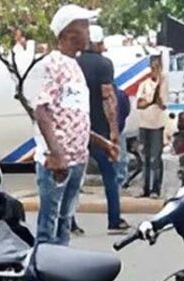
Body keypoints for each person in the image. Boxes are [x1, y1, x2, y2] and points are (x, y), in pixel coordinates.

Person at [33, 5, 117, 245]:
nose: (89, 31)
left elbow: (72, 117)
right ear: (69, 32)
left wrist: (102, 143)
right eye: (84, 25)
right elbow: (42, 111)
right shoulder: (53, 64)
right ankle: (43, 276)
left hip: (77, 158)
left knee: (64, 222)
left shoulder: (75, 66)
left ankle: (60, 274)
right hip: (58, 161)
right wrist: (57, 153)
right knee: (49, 227)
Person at [77, 24, 131, 234]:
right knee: (110, 175)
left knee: (74, 178)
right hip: (99, 129)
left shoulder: (74, 62)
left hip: (78, 127)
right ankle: (114, 219)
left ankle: (69, 221)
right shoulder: (104, 64)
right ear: (98, 43)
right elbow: (108, 97)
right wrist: (114, 130)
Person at [137, 55, 167, 198]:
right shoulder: (144, 84)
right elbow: (140, 104)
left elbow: (162, 104)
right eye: (152, 67)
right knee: (145, 158)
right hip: (144, 124)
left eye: (157, 68)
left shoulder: (164, 84)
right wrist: (151, 101)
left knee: (156, 158)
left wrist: (160, 84)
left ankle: (155, 188)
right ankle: (145, 188)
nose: (154, 70)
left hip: (157, 125)